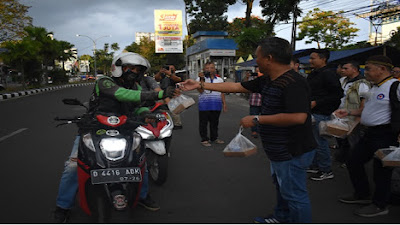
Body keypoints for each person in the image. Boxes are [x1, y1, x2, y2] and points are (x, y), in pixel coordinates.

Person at [180, 37, 317, 223]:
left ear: (269, 58)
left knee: (294, 194)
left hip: (292, 150)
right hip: (278, 150)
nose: (256, 60)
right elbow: (236, 86)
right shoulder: (268, 80)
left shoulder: (294, 82)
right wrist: (200, 85)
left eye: (257, 56)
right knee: (282, 188)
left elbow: (299, 117)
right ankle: (282, 217)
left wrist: (257, 119)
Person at [53, 52, 177, 223]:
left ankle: (141, 196)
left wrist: (147, 113)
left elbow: (136, 107)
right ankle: (63, 206)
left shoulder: (136, 87)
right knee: (73, 166)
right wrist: (159, 94)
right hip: (94, 128)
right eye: (130, 68)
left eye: (137, 69)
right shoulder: (104, 82)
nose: (134, 72)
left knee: (140, 162)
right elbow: (121, 95)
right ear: (119, 67)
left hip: (124, 129)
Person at [336, 55, 400, 217]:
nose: (366, 72)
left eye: (369, 68)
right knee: (353, 161)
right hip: (369, 134)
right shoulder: (374, 87)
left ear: (383, 69)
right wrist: (349, 112)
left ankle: (380, 205)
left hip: (385, 135)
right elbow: (366, 110)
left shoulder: (395, 87)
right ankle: (362, 194)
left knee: (382, 172)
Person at [306, 49, 343, 181]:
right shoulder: (314, 74)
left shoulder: (328, 74)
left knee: (320, 142)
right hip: (312, 112)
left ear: (323, 59)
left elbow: (337, 95)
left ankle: (326, 169)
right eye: (310, 58)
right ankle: (315, 165)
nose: (310, 61)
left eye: (313, 58)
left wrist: (317, 102)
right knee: (313, 141)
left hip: (321, 113)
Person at [334, 61, 371, 165]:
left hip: (353, 116)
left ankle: (353, 161)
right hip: (341, 113)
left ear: (354, 69)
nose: (342, 70)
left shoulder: (362, 84)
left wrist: (357, 117)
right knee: (340, 137)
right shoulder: (342, 80)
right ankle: (344, 158)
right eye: (342, 68)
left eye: (346, 68)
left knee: (353, 140)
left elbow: (363, 102)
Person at [196, 61, 227, 147]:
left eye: (212, 68)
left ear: (215, 69)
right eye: (207, 68)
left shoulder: (219, 80)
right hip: (204, 105)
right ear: (203, 69)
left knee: (215, 123)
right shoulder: (199, 80)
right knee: (203, 123)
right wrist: (202, 79)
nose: (210, 70)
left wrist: (224, 103)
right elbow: (200, 90)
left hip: (216, 105)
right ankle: (204, 139)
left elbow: (222, 92)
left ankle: (214, 138)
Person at [155, 64, 184, 129]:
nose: (169, 70)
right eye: (168, 68)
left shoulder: (176, 75)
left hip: (172, 94)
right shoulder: (163, 75)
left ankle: (177, 124)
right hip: (162, 94)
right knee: (159, 108)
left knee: (174, 109)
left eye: (171, 69)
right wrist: (160, 72)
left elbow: (178, 80)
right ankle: (162, 123)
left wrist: (170, 74)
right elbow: (156, 79)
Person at [243, 67, 262, 138]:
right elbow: (245, 85)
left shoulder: (266, 78)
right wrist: (247, 77)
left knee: (264, 117)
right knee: (253, 117)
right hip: (254, 101)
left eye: (259, 71)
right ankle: (254, 131)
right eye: (256, 71)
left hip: (263, 101)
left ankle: (262, 130)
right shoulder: (252, 78)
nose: (257, 73)